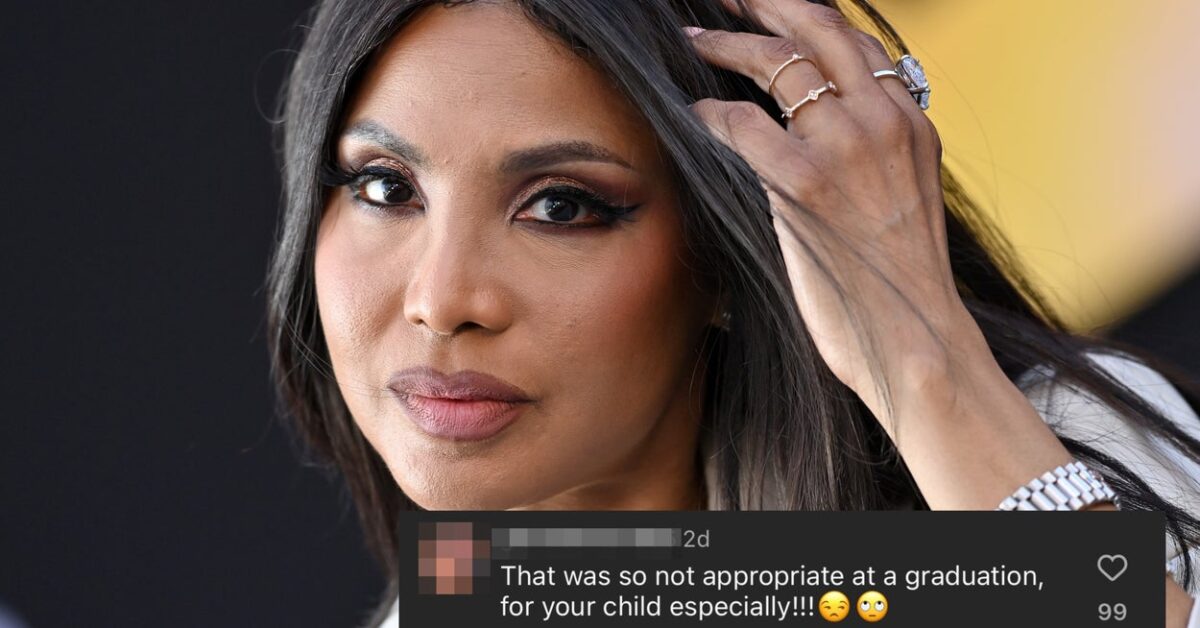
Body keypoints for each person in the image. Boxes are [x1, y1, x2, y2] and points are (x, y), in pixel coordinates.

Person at [264, 0, 1200, 625]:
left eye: (561, 206)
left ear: (725, 250)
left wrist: (923, 369)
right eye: (384, 187)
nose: (441, 301)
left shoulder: (1052, 447)